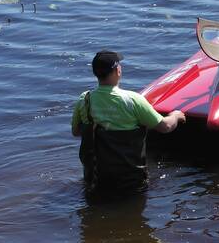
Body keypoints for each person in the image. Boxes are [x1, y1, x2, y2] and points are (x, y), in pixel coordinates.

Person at [71, 51, 186, 193]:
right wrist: (175, 115)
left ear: (95, 73)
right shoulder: (132, 100)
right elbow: (165, 127)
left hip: (95, 179)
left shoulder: (85, 99)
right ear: (117, 71)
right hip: (130, 182)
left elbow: (76, 132)